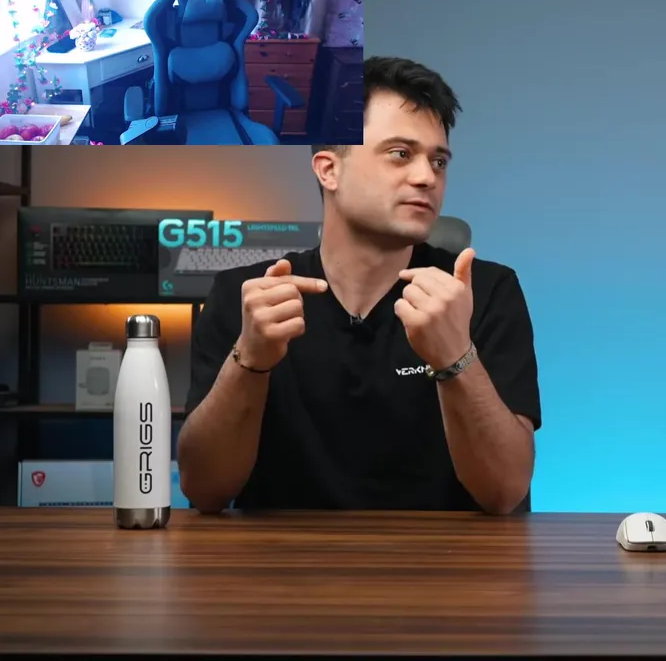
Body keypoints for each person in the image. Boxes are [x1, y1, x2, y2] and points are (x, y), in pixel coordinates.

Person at [177, 57, 541, 515]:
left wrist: (455, 356)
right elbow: (204, 490)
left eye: (439, 161)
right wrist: (249, 361)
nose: (427, 177)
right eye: (400, 154)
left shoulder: (484, 291)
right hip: (283, 559)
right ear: (328, 170)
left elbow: (505, 491)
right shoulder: (248, 297)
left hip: (445, 559)